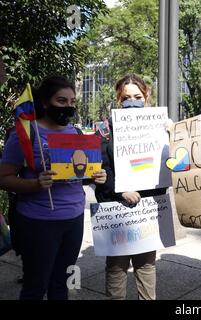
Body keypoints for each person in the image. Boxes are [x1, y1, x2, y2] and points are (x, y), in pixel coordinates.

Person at [0, 76, 107, 300]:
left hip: (74, 219)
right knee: (35, 287)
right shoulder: (26, 135)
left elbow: (78, 174)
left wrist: (96, 176)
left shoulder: (76, 134)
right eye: (61, 101)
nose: (68, 107)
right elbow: (4, 178)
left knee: (62, 285)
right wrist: (35, 184)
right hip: (38, 222)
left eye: (72, 102)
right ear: (46, 103)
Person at [94, 74, 165, 300]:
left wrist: (172, 135)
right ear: (119, 99)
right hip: (116, 208)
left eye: (137, 96)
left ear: (146, 98)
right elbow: (101, 168)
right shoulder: (104, 130)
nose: (132, 101)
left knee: (146, 268)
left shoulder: (159, 127)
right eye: (126, 97)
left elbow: (165, 167)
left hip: (146, 209)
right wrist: (120, 190)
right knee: (116, 269)